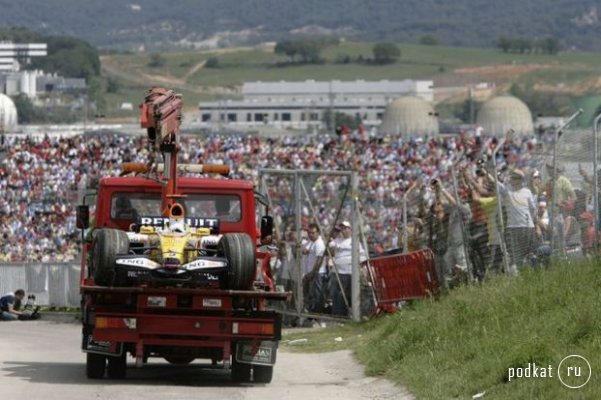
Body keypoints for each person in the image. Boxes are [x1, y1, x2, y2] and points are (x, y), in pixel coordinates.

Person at [328, 221, 366, 317]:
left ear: (350, 229)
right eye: (342, 228)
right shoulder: (337, 240)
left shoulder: (354, 241)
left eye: (345, 228)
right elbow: (330, 247)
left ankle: (353, 315)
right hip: (338, 272)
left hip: (350, 272)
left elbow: (362, 256)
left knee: (350, 295)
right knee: (337, 295)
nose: (343, 230)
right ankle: (338, 315)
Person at [301, 223, 328, 313]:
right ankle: (311, 313)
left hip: (317, 273)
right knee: (310, 295)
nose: (311, 235)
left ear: (318, 233)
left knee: (317, 295)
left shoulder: (319, 243)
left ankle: (317, 315)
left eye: (313, 233)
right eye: (309, 233)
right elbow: (304, 249)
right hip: (309, 272)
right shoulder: (311, 242)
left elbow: (319, 259)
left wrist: (313, 272)